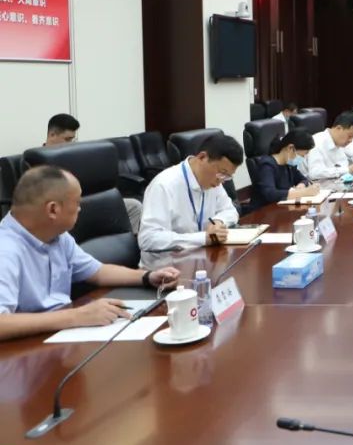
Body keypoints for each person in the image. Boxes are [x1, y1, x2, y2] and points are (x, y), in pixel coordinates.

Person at [0, 166, 180, 342]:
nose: (80, 209)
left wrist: (147, 277)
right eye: (77, 203)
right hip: (25, 348)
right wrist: (77, 316)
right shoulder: (6, 249)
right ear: (53, 210)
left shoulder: (57, 236)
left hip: (60, 336)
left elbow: (98, 272)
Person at [42, 113, 143, 235]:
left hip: (90, 202)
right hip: (67, 208)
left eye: (72, 139)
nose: (71, 144)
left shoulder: (73, 156)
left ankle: (128, 243)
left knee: (134, 206)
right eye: (67, 139)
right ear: (52, 135)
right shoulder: (38, 161)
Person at [139, 134, 243, 251]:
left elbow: (230, 210)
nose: (221, 181)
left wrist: (218, 221)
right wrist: (202, 238)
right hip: (167, 260)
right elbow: (148, 239)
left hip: (200, 255)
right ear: (202, 157)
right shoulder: (164, 185)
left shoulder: (214, 182)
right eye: (222, 172)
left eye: (227, 176)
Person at [250, 130, 321, 208]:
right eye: (302, 155)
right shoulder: (266, 165)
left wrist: (302, 184)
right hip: (263, 211)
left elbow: (303, 179)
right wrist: (303, 192)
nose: (303, 158)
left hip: (282, 208)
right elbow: (270, 194)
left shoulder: (289, 165)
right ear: (290, 148)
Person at [302, 111, 353, 180]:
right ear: (339, 128)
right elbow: (315, 173)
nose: (351, 140)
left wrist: (350, 169)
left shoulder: (338, 144)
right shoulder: (317, 142)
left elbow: (342, 166)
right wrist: (345, 170)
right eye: (349, 136)